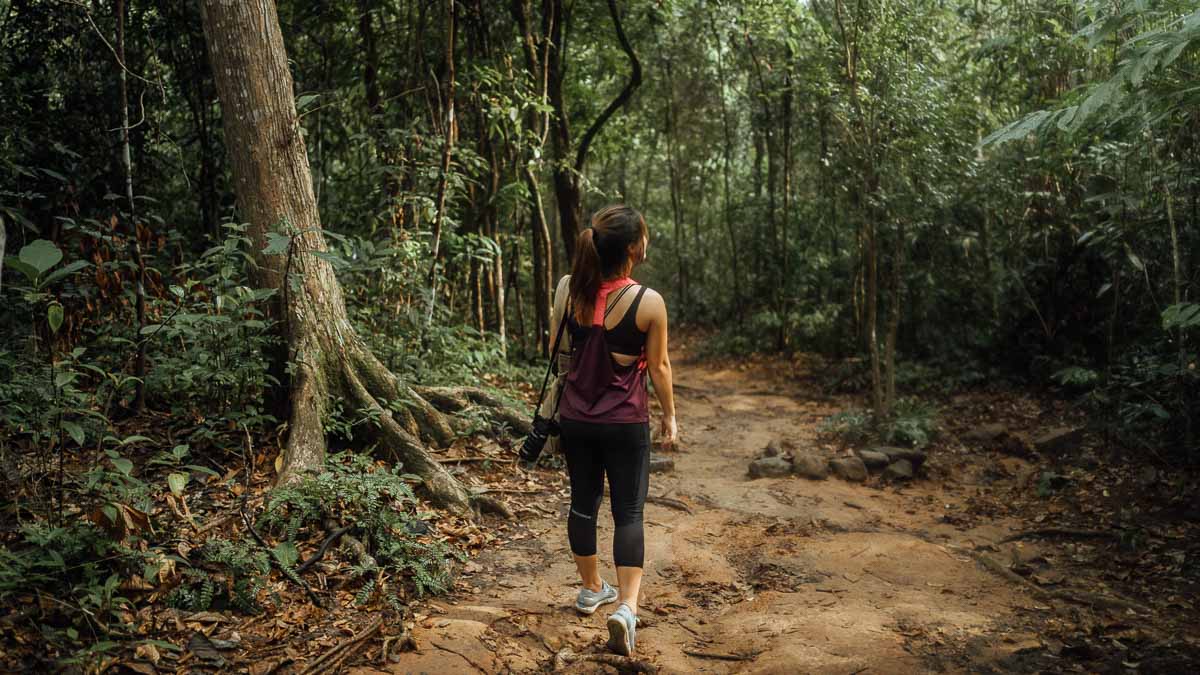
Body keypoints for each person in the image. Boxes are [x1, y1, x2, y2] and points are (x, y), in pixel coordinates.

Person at [548, 204, 677, 657]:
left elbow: (555, 349)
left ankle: (589, 589)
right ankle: (625, 607)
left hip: (577, 419)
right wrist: (670, 417)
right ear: (631, 248)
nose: (648, 240)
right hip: (625, 421)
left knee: (583, 503)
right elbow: (659, 367)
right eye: (645, 235)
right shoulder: (649, 302)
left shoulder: (568, 290)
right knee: (628, 511)